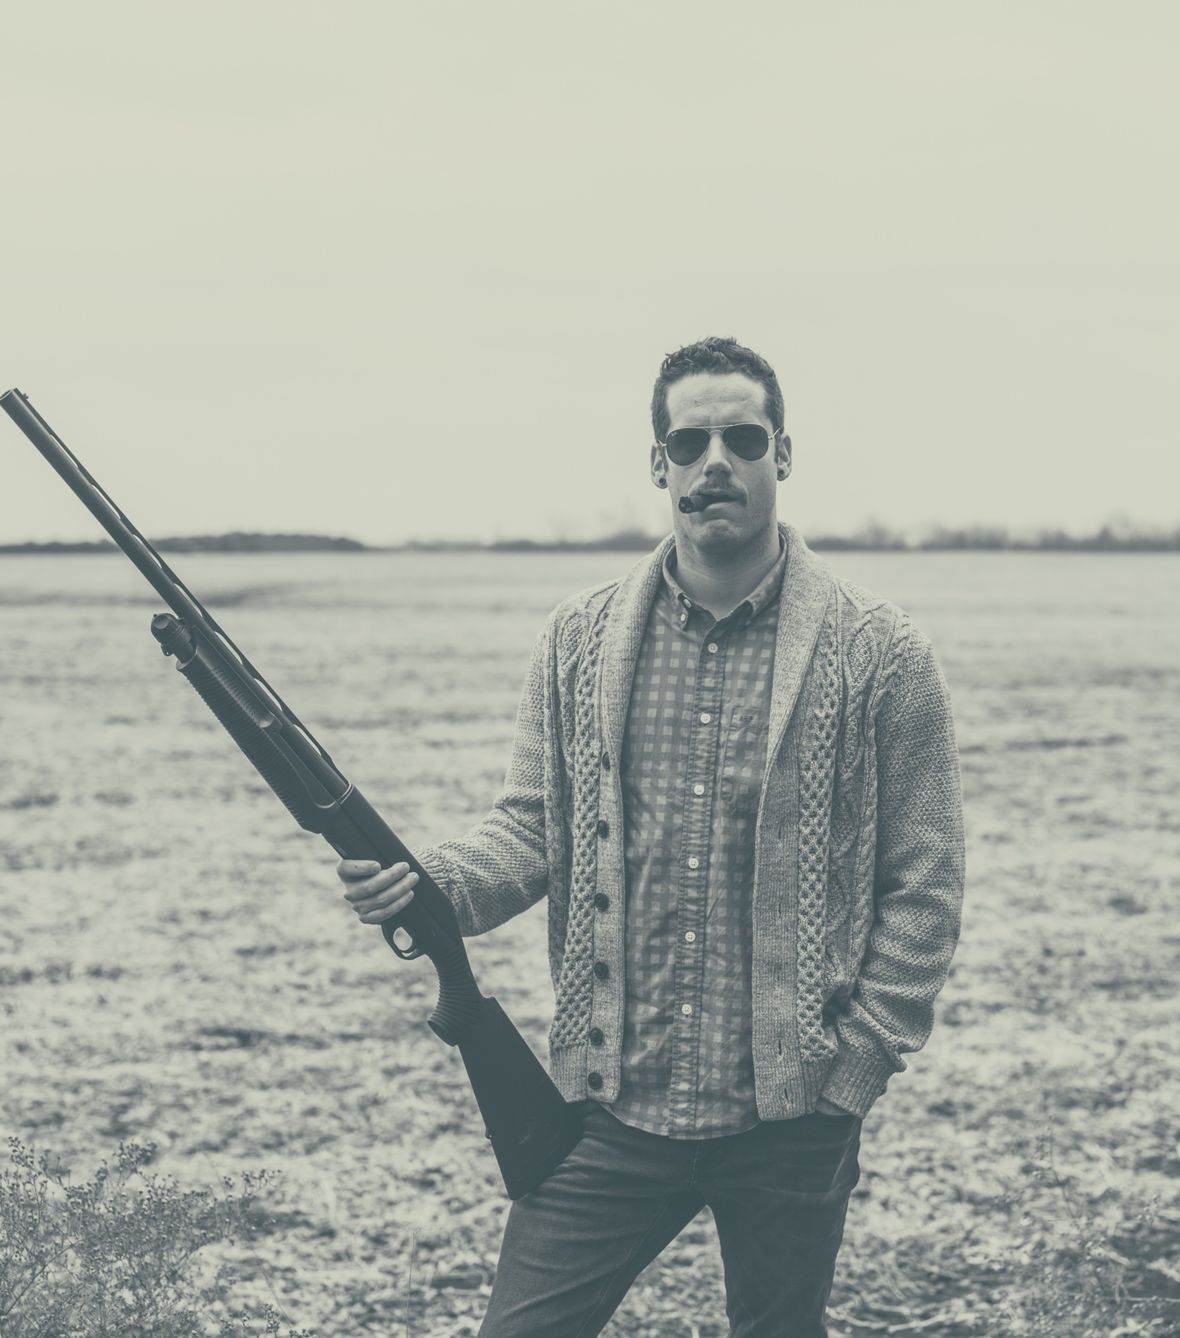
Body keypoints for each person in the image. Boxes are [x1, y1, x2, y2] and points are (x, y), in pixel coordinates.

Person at [333, 336, 966, 1337]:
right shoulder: (577, 639)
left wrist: (856, 1068)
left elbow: (924, 880)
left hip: (792, 1121)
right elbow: (534, 826)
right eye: (689, 442)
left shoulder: (880, 652)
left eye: (742, 439)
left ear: (782, 454)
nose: (716, 462)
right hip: (611, 1112)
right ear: (658, 462)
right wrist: (429, 887)